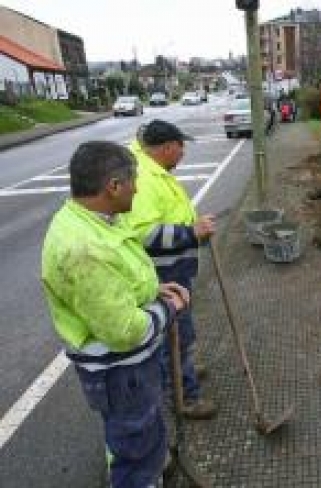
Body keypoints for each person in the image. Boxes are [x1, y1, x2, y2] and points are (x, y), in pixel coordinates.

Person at [41, 141, 190, 488]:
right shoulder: (83, 249)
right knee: (135, 451)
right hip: (121, 372)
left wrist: (153, 291)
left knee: (137, 434)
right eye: (133, 180)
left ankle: (149, 467)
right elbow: (126, 331)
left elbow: (120, 276)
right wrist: (168, 308)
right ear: (113, 186)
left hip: (128, 371)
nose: (137, 188)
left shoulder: (98, 221)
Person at [119, 119, 217, 420]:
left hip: (173, 268)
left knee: (178, 334)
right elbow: (144, 233)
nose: (183, 153)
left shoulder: (151, 168)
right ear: (167, 147)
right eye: (180, 147)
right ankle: (184, 396)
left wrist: (194, 229)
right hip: (164, 273)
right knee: (172, 336)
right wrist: (191, 233)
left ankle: (181, 368)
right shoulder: (145, 177)